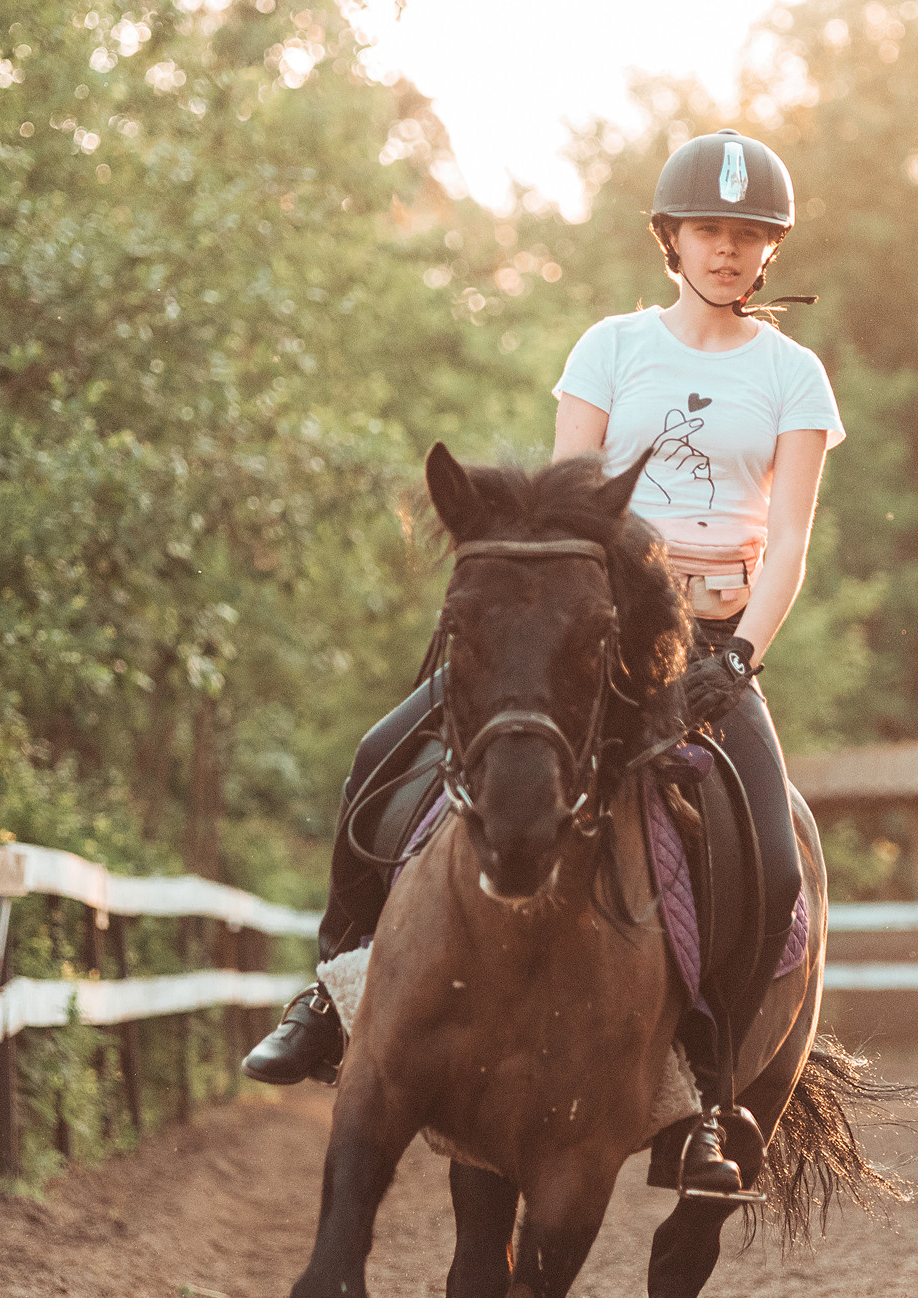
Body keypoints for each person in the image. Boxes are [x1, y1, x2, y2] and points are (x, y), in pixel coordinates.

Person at [243, 129, 844, 1199]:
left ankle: (701, 1090)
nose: (727, 250)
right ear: (670, 238)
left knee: (774, 850)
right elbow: (567, 498)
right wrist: (568, 622)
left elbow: (788, 539)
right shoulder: (610, 347)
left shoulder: (792, 375)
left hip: (712, 647)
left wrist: (739, 656)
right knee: (380, 758)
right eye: (709, 230)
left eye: (749, 236)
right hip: (579, 633)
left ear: (769, 253)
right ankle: (328, 999)